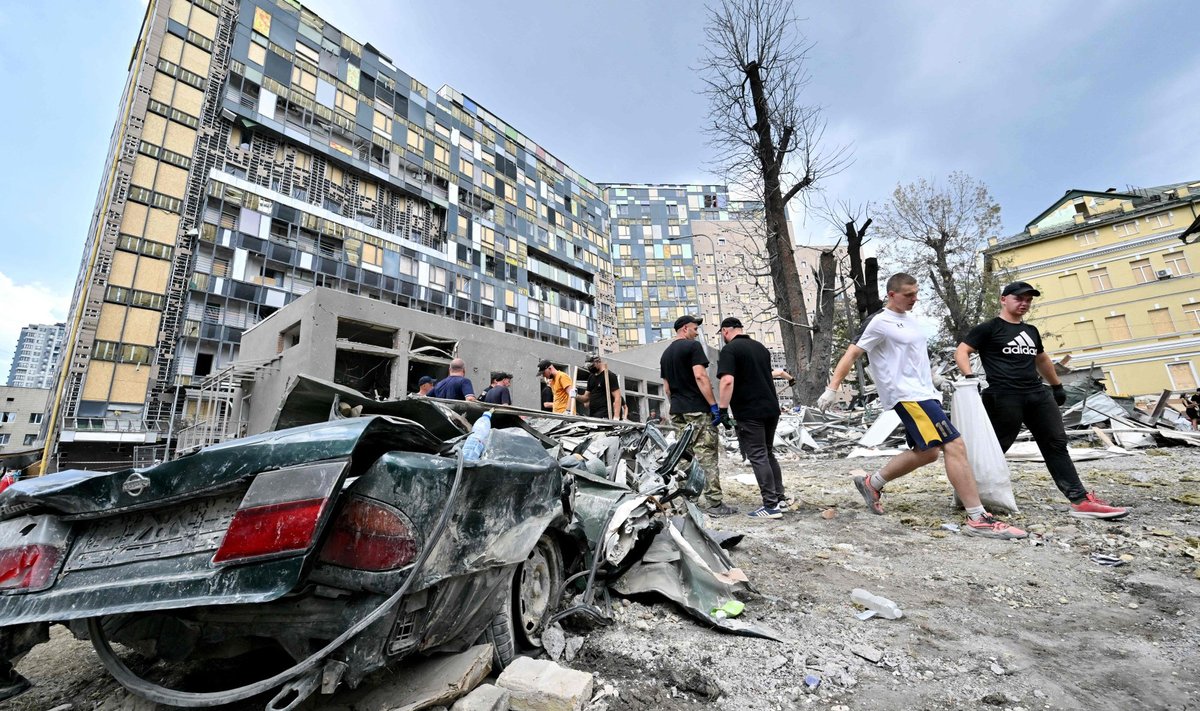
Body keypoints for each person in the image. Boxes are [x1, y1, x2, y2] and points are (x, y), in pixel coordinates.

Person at [818, 273, 1027, 540]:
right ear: (891, 294)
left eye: (916, 293)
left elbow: (913, 357)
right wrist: (832, 388)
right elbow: (852, 353)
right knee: (955, 444)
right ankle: (978, 517)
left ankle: (872, 483)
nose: (914, 299)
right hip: (907, 396)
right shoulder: (879, 322)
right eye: (908, 295)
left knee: (928, 452)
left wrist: (935, 380)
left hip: (925, 393)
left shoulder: (910, 320)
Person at [956, 281, 1128, 519]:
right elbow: (962, 351)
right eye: (1019, 298)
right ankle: (967, 496)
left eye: (1028, 300)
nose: (1024, 303)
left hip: (1037, 395)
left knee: (1056, 444)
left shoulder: (1031, 331)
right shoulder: (989, 328)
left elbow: (1042, 359)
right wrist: (969, 377)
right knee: (995, 448)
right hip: (1003, 397)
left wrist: (1057, 386)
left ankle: (1079, 500)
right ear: (1003, 299)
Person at [661, 314, 735, 516]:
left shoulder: (665, 354)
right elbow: (700, 376)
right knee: (707, 454)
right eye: (694, 328)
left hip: (677, 410)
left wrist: (676, 404)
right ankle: (714, 503)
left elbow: (667, 388)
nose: (696, 332)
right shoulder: (692, 347)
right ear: (684, 329)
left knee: (684, 455)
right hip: (697, 409)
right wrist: (713, 405)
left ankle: (688, 501)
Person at [716, 317, 790, 519]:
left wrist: (722, 410)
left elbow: (727, 381)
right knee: (767, 452)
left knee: (757, 455)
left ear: (725, 331)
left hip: (749, 411)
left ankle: (770, 506)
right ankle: (780, 499)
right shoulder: (761, 348)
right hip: (771, 408)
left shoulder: (730, 350)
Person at [582, 355, 622, 419]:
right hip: (593, 414)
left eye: (591, 366)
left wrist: (616, 417)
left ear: (598, 362)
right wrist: (576, 395)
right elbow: (585, 397)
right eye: (588, 367)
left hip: (605, 415)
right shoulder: (591, 377)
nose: (590, 368)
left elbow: (617, 397)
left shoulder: (609, 375)